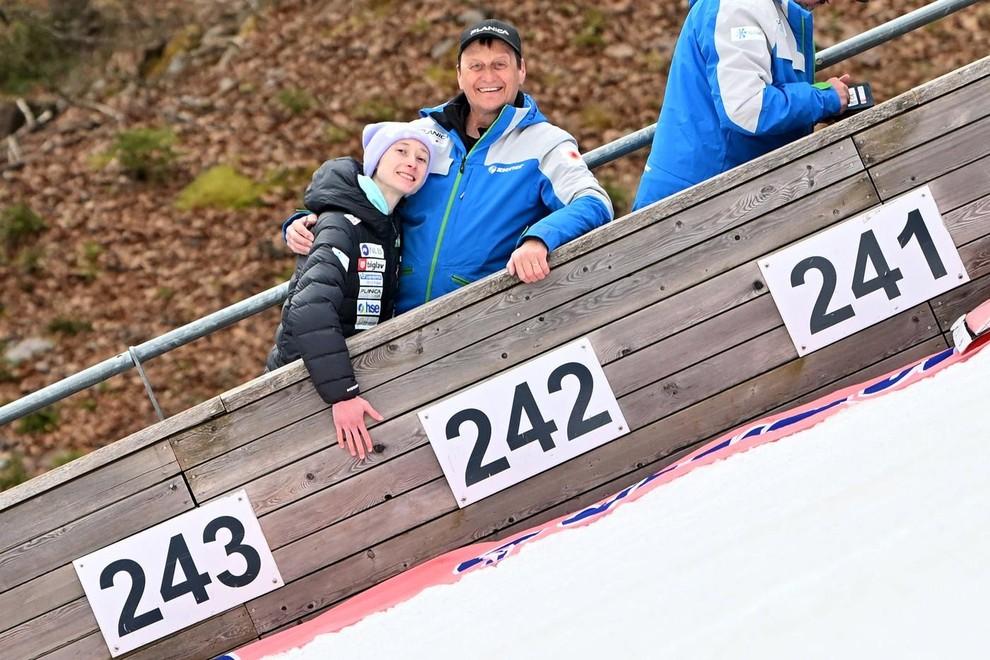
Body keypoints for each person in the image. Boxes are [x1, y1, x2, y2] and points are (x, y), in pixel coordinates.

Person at [284, 19, 613, 314]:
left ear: (521, 71)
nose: (488, 77)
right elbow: (366, 191)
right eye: (476, 66)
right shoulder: (422, 136)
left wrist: (540, 239)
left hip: (483, 320)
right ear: (459, 75)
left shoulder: (546, 143)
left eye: (500, 65)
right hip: (393, 317)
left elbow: (593, 202)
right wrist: (312, 221)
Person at [267, 122, 436, 459]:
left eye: (421, 159)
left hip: (343, 376)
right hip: (300, 385)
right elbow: (309, 309)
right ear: (375, 160)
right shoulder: (342, 223)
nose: (411, 163)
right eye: (401, 151)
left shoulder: (388, 225)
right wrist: (342, 394)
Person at [632, 0, 866, 210]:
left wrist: (818, 108)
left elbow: (760, 97)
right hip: (696, 201)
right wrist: (824, 99)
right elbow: (748, 109)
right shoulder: (738, 6)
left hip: (721, 193)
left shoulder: (776, 9)